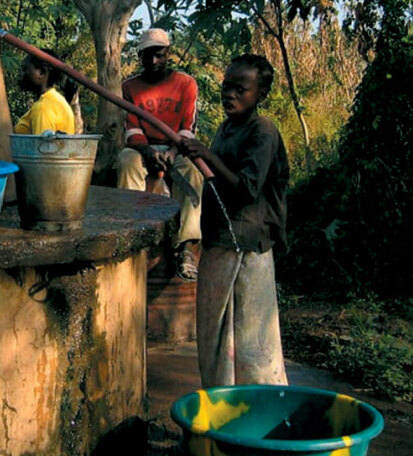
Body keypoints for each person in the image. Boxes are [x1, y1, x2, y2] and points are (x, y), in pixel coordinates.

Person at [179, 54, 289, 387]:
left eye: (241, 89)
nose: (230, 95)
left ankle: (258, 411)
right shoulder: (228, 128)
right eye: (227, 87)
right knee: (215, 340)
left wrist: (205, 155)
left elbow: (246, 189)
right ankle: (220, 409)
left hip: (247, 249)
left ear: (260, 94)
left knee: (251, 343)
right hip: (219, 241)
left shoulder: (263, 132)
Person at [118, 28, 203, 281]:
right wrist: (147, 151)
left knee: (194, 173)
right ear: (140, 56)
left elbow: (188, 128)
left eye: (159, 55)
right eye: (147, 56)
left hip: (178, 146)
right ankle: (129, 233)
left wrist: (175, 150)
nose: (153, 61)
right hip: (144, 147)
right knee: (126, 162)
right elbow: (131, 128)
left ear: (168, 53)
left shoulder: (186, 84)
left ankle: (187, 244)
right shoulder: (130, 86)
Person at [14, 52, 76, 135]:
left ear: (41, 73)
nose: (21, 74)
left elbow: (42, 147)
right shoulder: (57, 100)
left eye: (25, 69)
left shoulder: (42, 108)